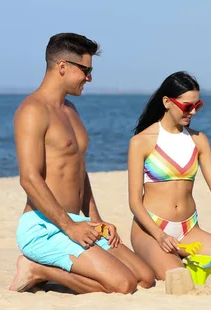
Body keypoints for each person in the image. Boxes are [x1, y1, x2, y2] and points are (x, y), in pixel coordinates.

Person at [9, 33, 155, 294]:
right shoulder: (32, 110)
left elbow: (78, 171)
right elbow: (29, 179)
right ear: (62, 66)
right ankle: (37, 269)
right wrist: (69, 226)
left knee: (144, 278)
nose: (90, 78)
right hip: (46, 226)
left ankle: (54, 265)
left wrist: (96, 220)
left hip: (77, 221)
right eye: (85, 70)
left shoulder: (70, 110)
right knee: (123, 285)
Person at [127, 71, 211, 280]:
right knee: (180, 278)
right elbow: (135, 202)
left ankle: (182, 254)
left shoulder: (199, 140)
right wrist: (160, 236)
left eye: (197, 106)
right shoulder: (141, 141)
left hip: (189, 229)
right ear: (167, 102)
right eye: (187, 106)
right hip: (151, 230)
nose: (192, 112)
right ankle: (169, 257)